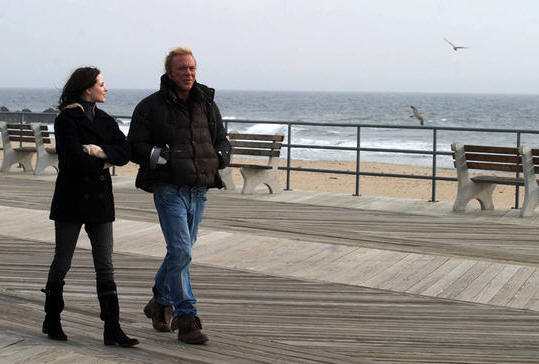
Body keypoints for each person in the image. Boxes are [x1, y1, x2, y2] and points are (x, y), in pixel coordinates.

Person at [128, 46, 230, 345]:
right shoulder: (150, 106)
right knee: (182, 250)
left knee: (180, 251)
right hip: (168, 187)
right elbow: (136, 145)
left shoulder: (207, 104)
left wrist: (220, 158)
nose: (189, 73)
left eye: (192, 68)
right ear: (169, 73)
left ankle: (159, 300)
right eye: (182, 69)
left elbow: (220, 137)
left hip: (199, 189)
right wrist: (162, 158)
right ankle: (186, 318)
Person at [43, 67, 138, 347]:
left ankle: (112, 328)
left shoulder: (106, 120)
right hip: (71, 198)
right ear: (88, 89)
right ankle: (52, 318)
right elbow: (72, 159)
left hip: (99, 199)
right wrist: (106, 158)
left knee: (106, 265)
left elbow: (125, 153)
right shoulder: (66, 119)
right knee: (63, 261)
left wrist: (98, 151)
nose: (105, 89)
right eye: (101, 84)